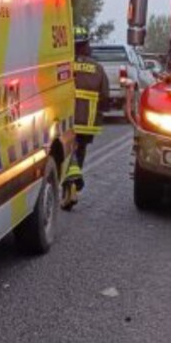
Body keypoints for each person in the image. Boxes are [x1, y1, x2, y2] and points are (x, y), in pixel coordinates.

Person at [63, 26, 109, 209]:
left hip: (67, 120)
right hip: (88, 122)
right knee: (79, 151)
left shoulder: (64, 64)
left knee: (67, 153)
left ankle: (71, 183)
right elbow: (105, 95)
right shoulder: (97, 68)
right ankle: (72, 186)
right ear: (85, 45)